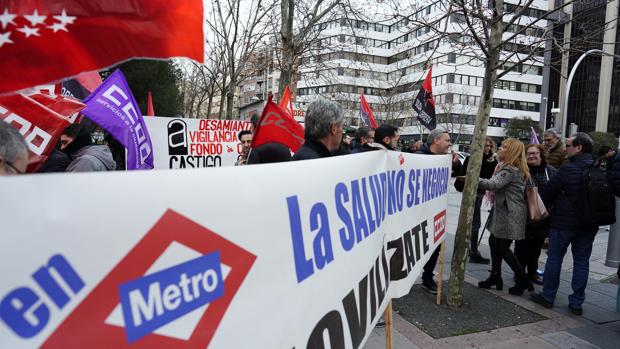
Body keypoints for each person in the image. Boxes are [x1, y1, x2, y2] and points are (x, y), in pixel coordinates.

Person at [531, 133, 599, 315]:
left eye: (568, 145)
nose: (565, 149)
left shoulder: (568, 169)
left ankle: (548, 296)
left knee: (554, 259)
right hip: (589, 224)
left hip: (563, 223)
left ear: (579, 148)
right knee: (582, 262)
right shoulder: (597, 168)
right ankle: (577, 303)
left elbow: (547, 194)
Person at [477, 138, 533, 295]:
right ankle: (495, 276)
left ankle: (522, 279)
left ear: (511, 152)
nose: (499, 149)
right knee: (493, 241)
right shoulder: (513, 167)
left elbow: (493, 184)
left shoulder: (510, 169)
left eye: (503, 147)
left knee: (502, 247)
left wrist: (472, 176)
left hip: (509, 214)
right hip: (505, 212)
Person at [416, 128, 462, 294]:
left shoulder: (445, 159)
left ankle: (427, 278)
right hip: (417, 212)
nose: (450, 144)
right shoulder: (419, 157)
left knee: (435, 246)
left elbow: (459, 182)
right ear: (436, 141)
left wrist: (455, 164)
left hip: (435, 211)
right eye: (447, 140)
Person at [514, 144, 557, 285]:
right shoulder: (521, 171)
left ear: (541, 155)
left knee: (536, 248)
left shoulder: (550, 171)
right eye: (529, 153)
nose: (532, 156)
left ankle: (533, 273)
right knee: (521, 248)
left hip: (543, 216)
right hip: (523, 216)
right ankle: (519, 274)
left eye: (535, 153)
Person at [457, 137, 497, 264]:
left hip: (480, 194)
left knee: (474, 223)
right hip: (471, 194)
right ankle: (473, 252)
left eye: (490, 146)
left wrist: (491, 162)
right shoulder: (472, 158)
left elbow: (491, 178)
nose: (488, 148)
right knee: (475, 224)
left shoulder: (491, 160)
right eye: (486, 146)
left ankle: (469, 250)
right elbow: (465, 176)